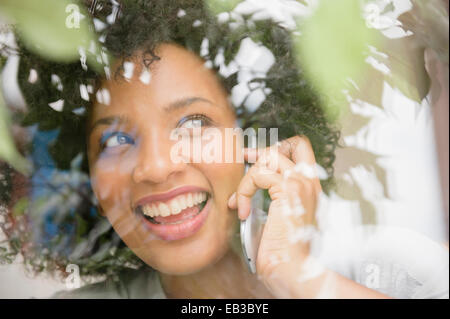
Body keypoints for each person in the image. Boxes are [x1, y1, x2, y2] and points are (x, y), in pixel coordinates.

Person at [3, 0, 448, 298]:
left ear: (256, 137)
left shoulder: (398, 272)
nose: (156, 168)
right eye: (116, 140)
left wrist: (302, 280)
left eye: (193, 123)